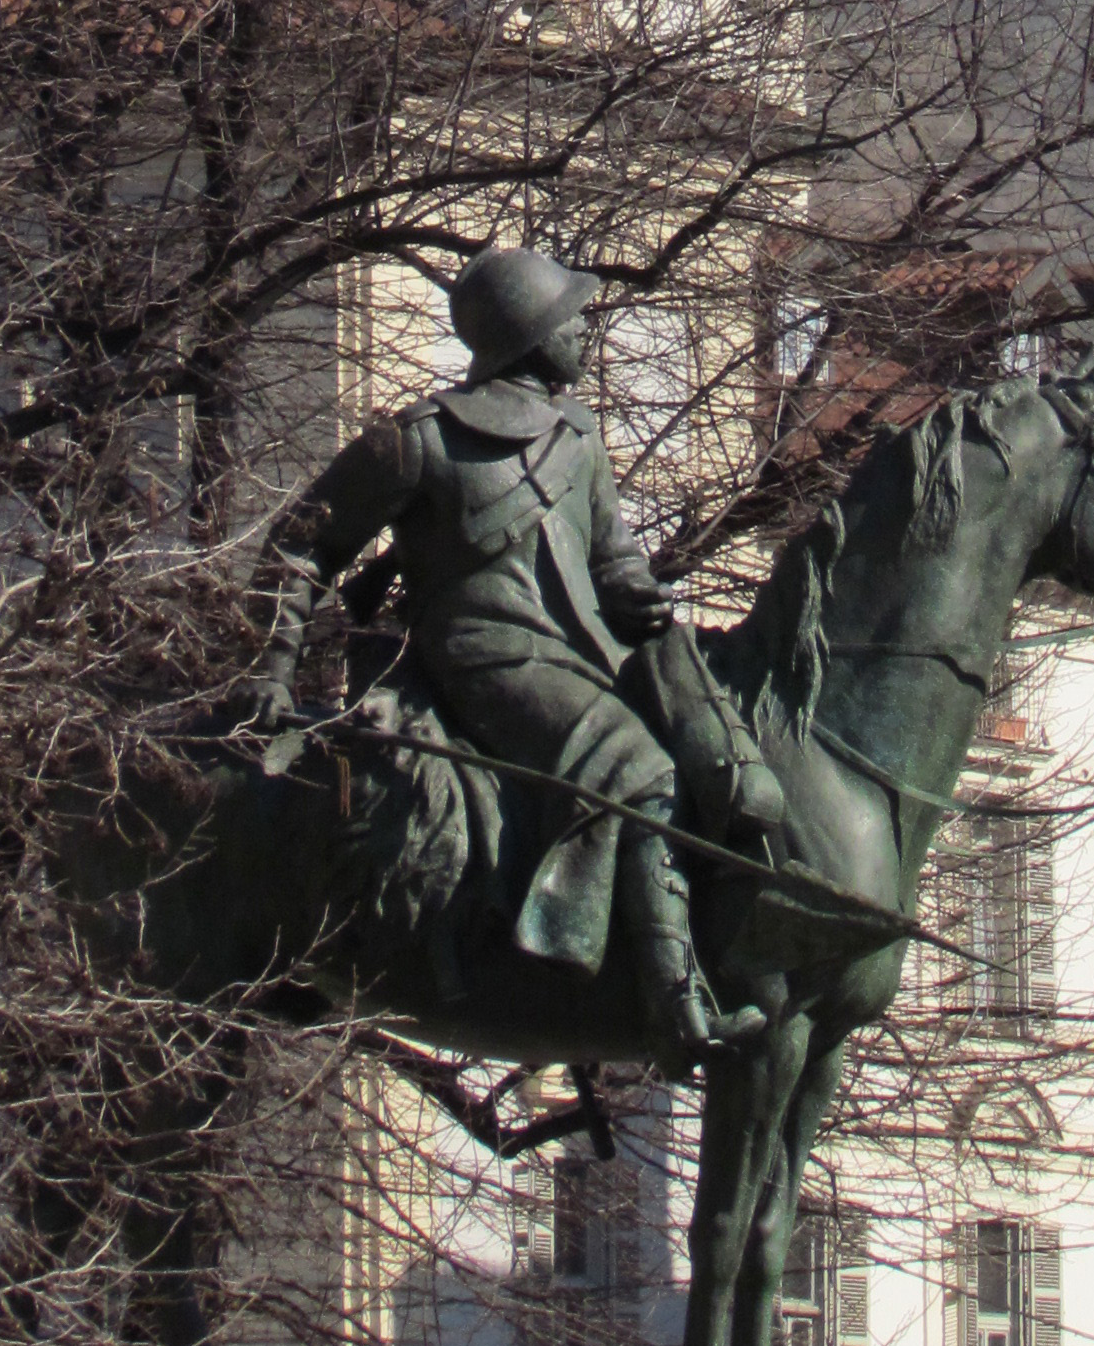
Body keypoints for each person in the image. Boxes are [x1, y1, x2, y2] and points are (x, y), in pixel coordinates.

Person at [253, 247, 773, 1072]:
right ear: (532, 336)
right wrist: (271, 672)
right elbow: (303, 550)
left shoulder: (580, 434)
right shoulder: (420, 439)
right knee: (640, 770)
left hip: (584, 653)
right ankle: (676, 1006)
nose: (587, 336)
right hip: (482, 657)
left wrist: (639, 591)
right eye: (573, 321)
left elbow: (611, 555)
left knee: (720, 755)